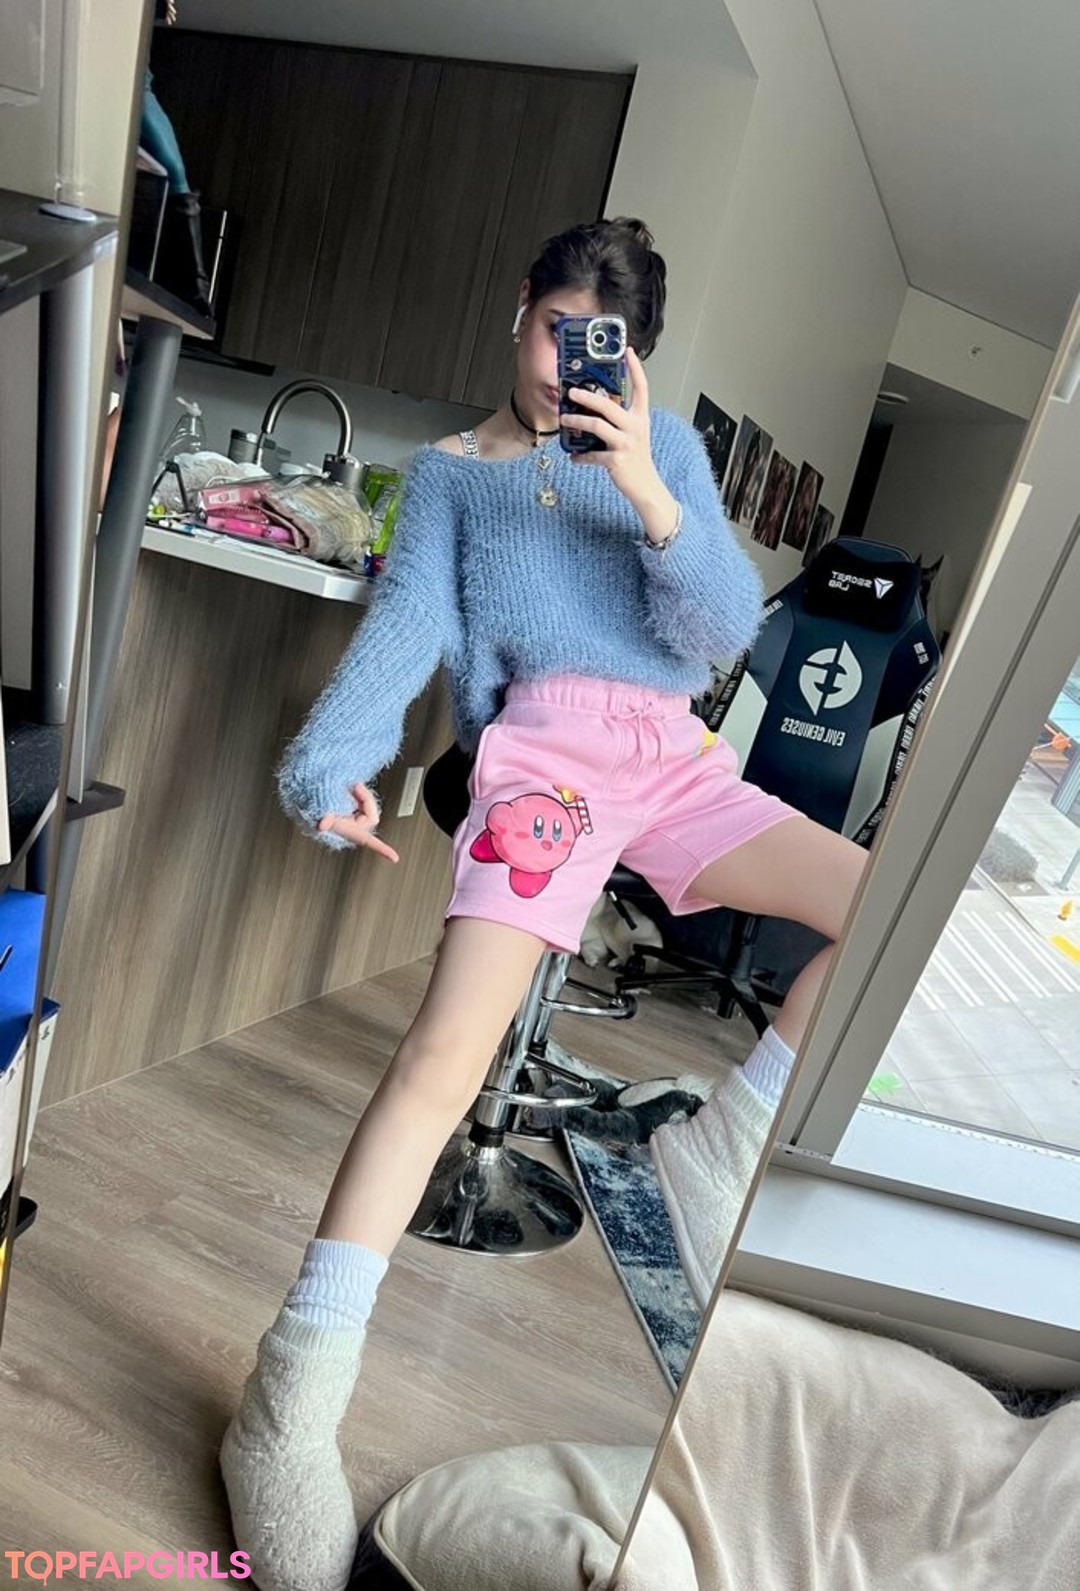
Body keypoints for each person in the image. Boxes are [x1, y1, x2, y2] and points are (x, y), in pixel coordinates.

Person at [219, 218, 866, 1591]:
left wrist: (651, 493)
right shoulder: (452, 478)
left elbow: (723, 634)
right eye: (554, 329)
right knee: (441, 1059)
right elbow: (407, 628)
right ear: (522, 307)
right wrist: (326, 767)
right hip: (547, 763)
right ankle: (289, 1403)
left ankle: (719, 1146)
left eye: (598, 346)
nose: (564, 362)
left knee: (888, 918)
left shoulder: (662, 446)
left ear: (636, 357)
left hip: (674, 755)